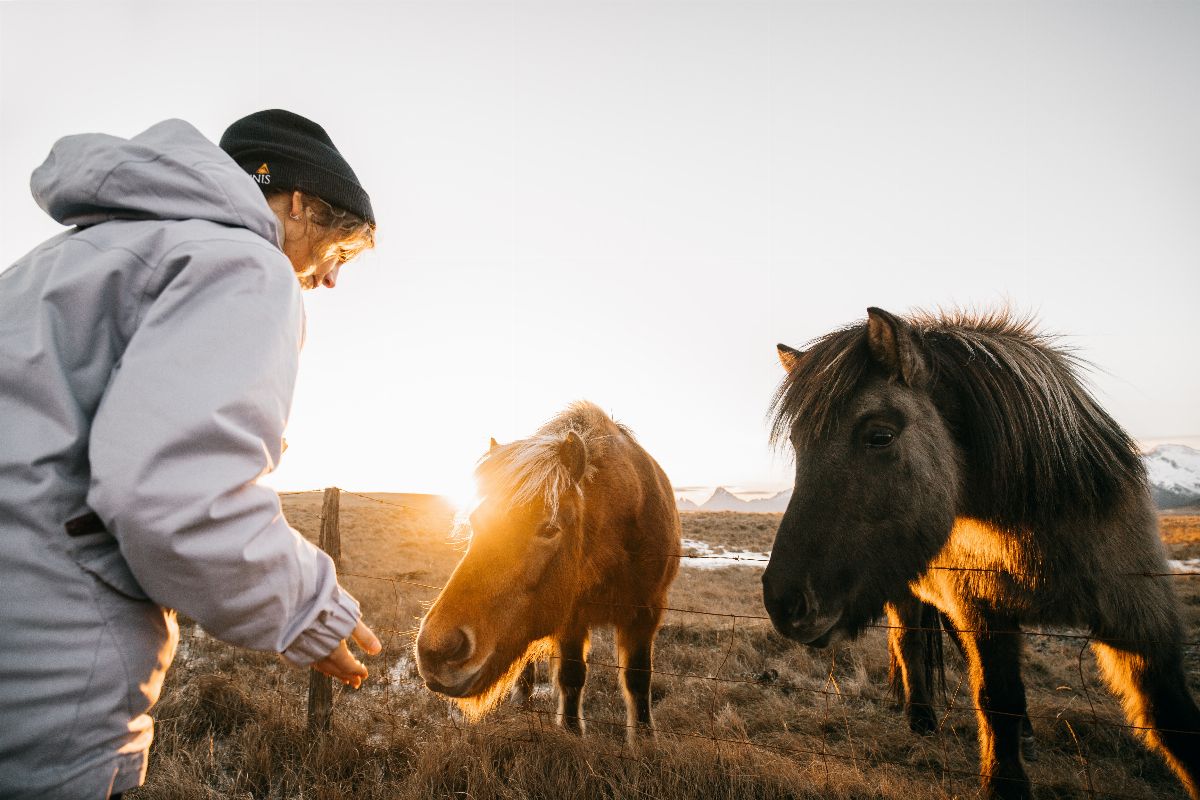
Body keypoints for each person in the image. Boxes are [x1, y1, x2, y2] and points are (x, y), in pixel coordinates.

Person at [0, 109, 382, 799]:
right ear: (297, 202)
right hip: (43, 696)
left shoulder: (57, 261)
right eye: (340, 248)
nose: (330, 280)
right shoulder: (244, 264)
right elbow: (175, 499)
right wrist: (309, 606)